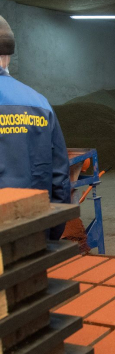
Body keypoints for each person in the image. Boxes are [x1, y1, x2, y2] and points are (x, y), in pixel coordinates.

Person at [0, 15, 70, 240]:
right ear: (7, 57)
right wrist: (52, 232)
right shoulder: (40, 103)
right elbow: (59, 177)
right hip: (34, 232)